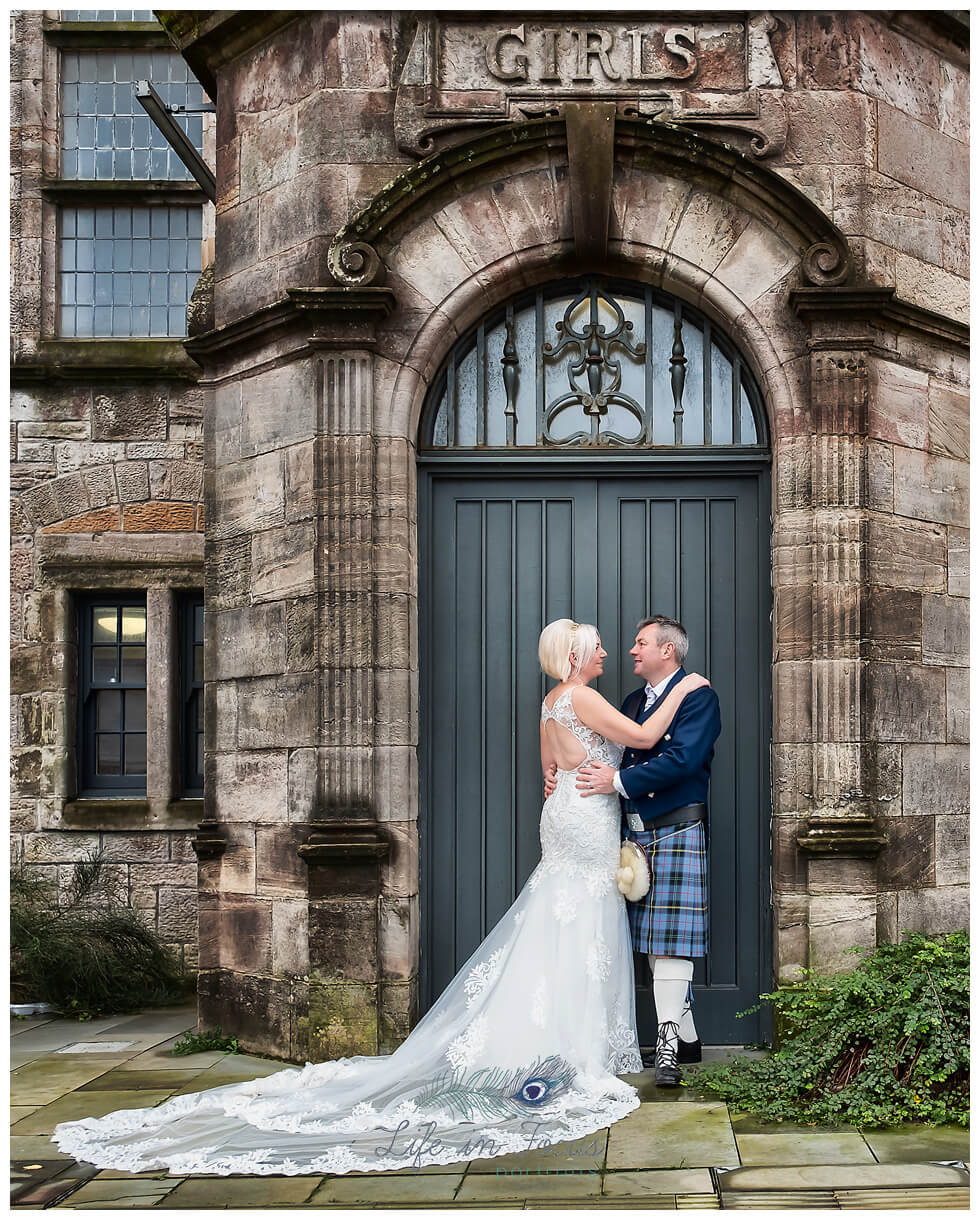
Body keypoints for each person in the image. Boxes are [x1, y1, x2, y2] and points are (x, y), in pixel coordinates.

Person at [53, 619, 709, 1178]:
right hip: (589, 816)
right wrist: (686, 689)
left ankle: (558, 1037)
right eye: (596, 646)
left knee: (556, 916)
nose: (606, 654)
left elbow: (547, 773)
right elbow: (647, 740)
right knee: (584, 924)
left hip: (567, 812)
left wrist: (579, 776)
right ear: (574, 656)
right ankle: (581, 1047)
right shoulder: (588, 699)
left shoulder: (549, 704)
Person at [575, 615, 721, 1087]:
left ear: (667, 651)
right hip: (635, 830)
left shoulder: (701, 697)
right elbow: (613, 750)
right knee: (657, 941)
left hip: (677, 827)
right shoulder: (634, 701)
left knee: (672, 938)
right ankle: (690, 1035)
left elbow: (684, 760)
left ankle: (667, 1045)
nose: (632, 651)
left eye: (641, 644)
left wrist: (616, 782)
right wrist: (561, 770)